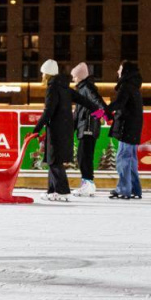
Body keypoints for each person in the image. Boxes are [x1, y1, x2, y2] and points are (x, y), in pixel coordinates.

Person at [25, 60, 103, 201]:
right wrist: (100, 115)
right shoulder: (65, 88)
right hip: (65, 128)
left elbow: (48, 111)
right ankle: (52, 190)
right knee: (53, 160)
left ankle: (62, 191)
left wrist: (36, 129)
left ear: (47, 74)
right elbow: (87, 102)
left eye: (43, 73)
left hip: (57, 129)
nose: (42, 76)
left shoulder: (53, 88)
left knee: (54, 160)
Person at [106, 61, 144, 199]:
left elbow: (119, 104)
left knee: (123, 158)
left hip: (127, 127)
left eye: (120, 69)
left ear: (126, 71)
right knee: (131, 160)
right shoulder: (134, 87)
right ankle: (134, 188)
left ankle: (124, 189)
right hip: (133, 128)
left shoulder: (126, 86)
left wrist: (101, 112)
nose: (118, 71)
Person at [70, 62, 106, 197]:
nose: (73, 79)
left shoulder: (87, 87)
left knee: (84, 156)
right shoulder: (82, 88)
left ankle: (88, 184)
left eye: (74, 76)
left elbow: (100, 104)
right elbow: (78, 112)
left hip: (88, 127)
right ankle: (87, 183)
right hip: (85, 126)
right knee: (83, 156)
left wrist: (94, 117)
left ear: (80, 76)